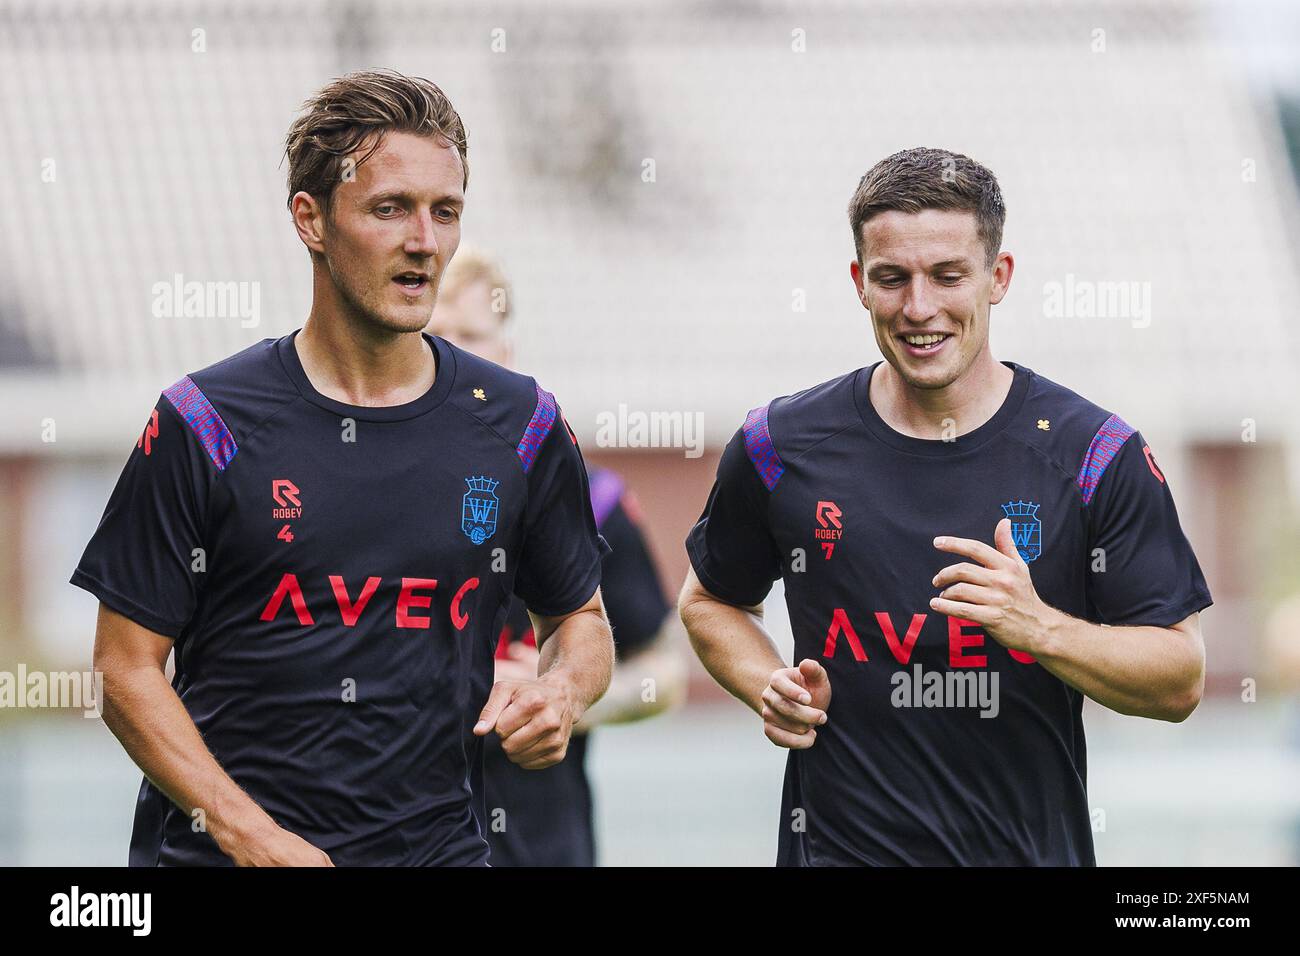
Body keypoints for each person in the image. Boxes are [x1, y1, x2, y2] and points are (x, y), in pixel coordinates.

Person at [71, 70, 614, 866]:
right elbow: (124, 669)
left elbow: (580, 621)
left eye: (446, 211)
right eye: (390, 208)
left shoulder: (520, 424)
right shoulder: (205, 422)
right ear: (311, 219)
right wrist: (246, 834)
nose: (424, 241)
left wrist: (560, 691)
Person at [678, 146, 1212, 866]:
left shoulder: (1095, 453)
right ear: (859, 283)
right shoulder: (780, 444)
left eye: (947, 276)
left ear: (999, 278)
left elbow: (1179, 677)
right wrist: (766, 684)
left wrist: (1040, 629)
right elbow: (709, 601)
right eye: (892, 278)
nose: (919, 308)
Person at [428, 247, 686, 866]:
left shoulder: (587, 498)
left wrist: (561, 699)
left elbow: (663, 678)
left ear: (506, 356)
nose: (451, 355)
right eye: (434, 336)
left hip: (541, 843)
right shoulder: (360, 493)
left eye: (469, 336)